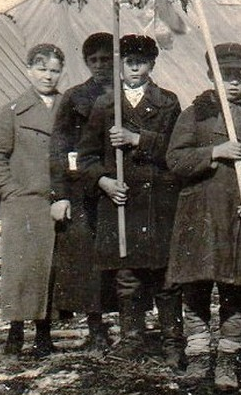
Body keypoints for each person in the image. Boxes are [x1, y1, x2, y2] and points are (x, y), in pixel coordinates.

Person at [166, 43, 241, 391]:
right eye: (226, 75)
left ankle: (227, 364)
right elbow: (175, 159)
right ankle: (199, 358)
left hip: (239, 220)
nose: (234, 83)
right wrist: (215, 151)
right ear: (211, 76)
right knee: (196, 293)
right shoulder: (195, 114)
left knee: (236, 295)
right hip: (199, 218)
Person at [77, 35, 183, 367]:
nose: (134, 67)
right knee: (127, 278)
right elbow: (86, 158)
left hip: (158, 204)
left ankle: (172, 342)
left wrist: (138, 139)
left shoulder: (167, 102)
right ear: (120, 64)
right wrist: (105, 182)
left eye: (142, 61)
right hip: (120, 201)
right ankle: (132, 339)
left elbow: (176, 152)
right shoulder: (106, 105)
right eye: (128, 61)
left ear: (152, 64)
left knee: (165, 277)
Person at [0, 44, 64, 357]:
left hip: (57, 203)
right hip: (23, 204)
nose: (48, 76)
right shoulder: (14, 110)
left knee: (51, 270)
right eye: (41, 69)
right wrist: (11, 190)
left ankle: (44, 336)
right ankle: (14, 336)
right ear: (29, 70)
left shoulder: (68, 107)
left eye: (54, 70)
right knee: (21, 270)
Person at [48, 33, 115, 353]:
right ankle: (96, 327)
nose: (101, 65)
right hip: (84, 191)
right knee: (89, 261)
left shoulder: (127, 94)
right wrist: (60, 193)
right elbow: (60, 147)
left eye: (106, 59)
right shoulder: (75, 97)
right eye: (94, 60)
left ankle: (133, 328)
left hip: (120, 188)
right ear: (87, 63)